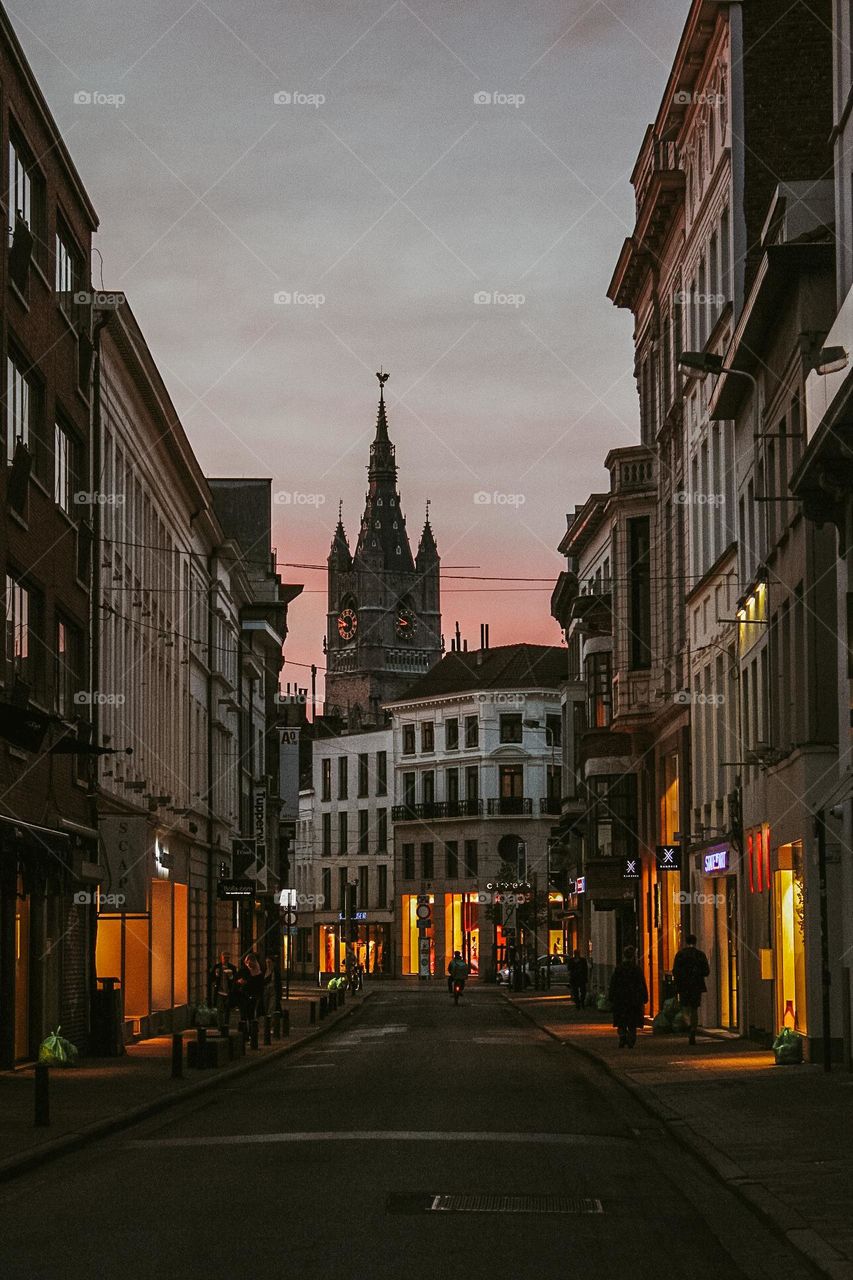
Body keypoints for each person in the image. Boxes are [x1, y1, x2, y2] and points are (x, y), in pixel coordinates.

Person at [673, 933, 710, 1045]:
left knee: (684, 1007)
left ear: (686, 941)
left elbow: (675, 970)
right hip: (696, 985)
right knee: (694, 1008)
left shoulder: (680, 954)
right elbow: (706, 971)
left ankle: (688, 1025)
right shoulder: (700, 955)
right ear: (696, 942)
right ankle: (693, 1028)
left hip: (684, 985)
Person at [608, 945, 648, 1048]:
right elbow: (642, 984)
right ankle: (631, 1039)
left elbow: (613, 984)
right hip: (633, 1000)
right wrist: (644, 997)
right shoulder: (637, 969)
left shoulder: (619, 969)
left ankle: (622, 1036)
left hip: (620, 999)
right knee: (632, 1022)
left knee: (621, 1021)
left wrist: (611, 997)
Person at [234, 952, 264, 1027]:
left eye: (251, 963)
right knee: (243, 1014)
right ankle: (244, 1033)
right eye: (248, 963)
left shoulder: (258, 971)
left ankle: (252, 1031)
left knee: (251, 1014)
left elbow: (259, 984)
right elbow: (236, 980)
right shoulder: (243, 970)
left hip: (253, 995)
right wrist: (239, 982)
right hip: (243, 995)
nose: (249, 965)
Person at [210, 951, 236, 1031]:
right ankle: (220, 1026)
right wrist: (216, 975)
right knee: (220, 1009)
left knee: (227, 1009)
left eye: (228, 958)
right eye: (225, 958)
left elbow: (235, 980)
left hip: (228, 992)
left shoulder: (232, 968)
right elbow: (211, 979)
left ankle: (226, 1025)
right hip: (220, 991)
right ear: (221, 958)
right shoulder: (217, 967)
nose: (226, 960)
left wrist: (231, 976)